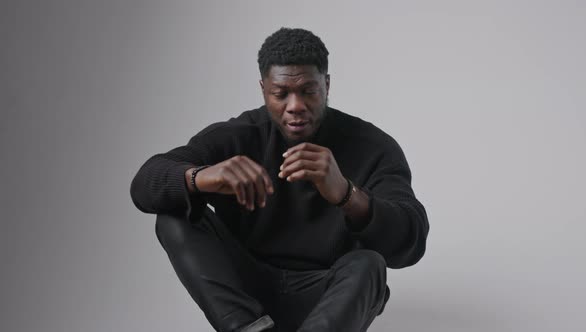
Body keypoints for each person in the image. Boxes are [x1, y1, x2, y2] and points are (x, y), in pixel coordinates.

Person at [130, 27, 429, 332]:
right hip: (245, 296)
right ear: (264, 90)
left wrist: (346, 194)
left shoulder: (373, 147)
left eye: (308, 91)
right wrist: (200, 177)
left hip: (326, 299)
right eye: (281, 93)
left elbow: (411, 242)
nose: (295, 105)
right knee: (175, 215)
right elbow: (144, 185)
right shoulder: (238, 136)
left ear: (327, 84)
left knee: (369, 265)